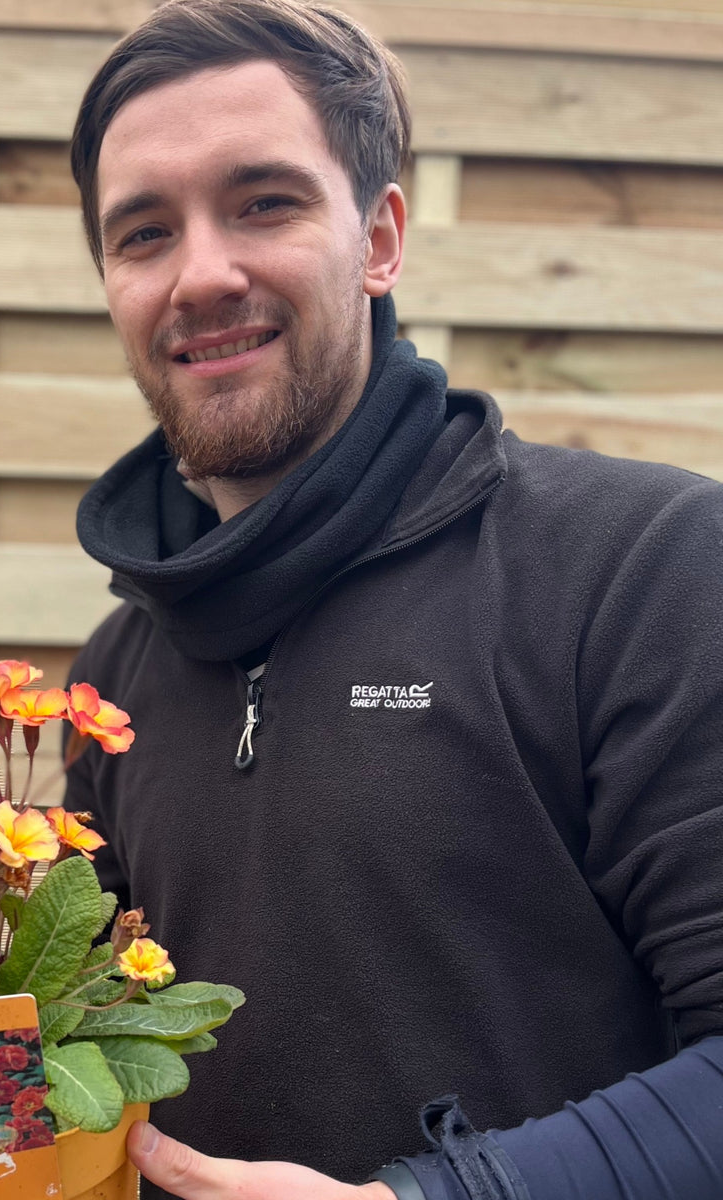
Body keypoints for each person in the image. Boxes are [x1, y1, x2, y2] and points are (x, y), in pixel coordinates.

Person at [59, 2, 723, 1198]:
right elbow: (80, 1069)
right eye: (144, 232)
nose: (203, 273)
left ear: (379, 238)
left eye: (264, 202)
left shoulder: (639, 568)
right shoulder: (112, 678)